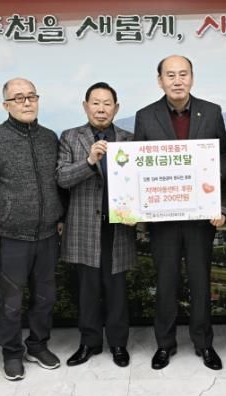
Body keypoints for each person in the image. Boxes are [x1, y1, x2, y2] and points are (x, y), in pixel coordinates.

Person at [134, 55, 226, 370]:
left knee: (201, 282)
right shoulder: (145, 116)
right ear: (160, 80)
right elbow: (138, 164)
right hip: (162, 217)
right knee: (165, 282)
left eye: (183, 74)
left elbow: (224, 156)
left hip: (200, 216)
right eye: (171, 75)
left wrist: (215, 196)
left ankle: (204, 344)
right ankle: (165, 344)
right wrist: (137, 205)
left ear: (192, 77)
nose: (177, 81)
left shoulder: (211, 112)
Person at [0, 78, 65, 381]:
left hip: (47, 236)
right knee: (11, 303)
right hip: (10, 238)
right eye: (19, 98)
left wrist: (60, 216)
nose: (27, 102)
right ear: (6, 105)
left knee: (45, 298)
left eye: (31, 97)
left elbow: (57, 183)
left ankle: (37, 345)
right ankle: (12, 353)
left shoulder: (49, 137)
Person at [57, 82, 135, 368]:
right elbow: (62, 178)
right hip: (83, 226)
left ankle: (118, 343)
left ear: (116, 108)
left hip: (119, 226)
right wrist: (90, 161)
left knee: (117, 290)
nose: (101, 109)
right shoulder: (70, 137)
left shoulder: (129, 139)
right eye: (96, 103)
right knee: (87, 290)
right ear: (85, 106)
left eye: (107, 103)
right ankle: (89, 343)